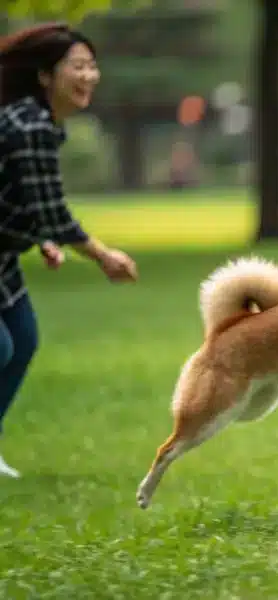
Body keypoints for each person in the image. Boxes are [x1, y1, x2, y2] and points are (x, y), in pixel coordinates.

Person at [0, 23, 138, 478]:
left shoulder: (39, 124)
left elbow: (22, 197)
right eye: (77, 66)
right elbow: (53, 212)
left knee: (22, 342)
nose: (90, 76)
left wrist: (40, 238)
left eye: (92, 65)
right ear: (44, 76)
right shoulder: (29, 125)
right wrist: (103, 255)